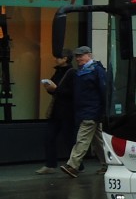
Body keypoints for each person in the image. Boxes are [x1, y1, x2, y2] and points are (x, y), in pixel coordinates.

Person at [61, 46, 108, 178]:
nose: (78, 59)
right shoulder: (86, 71)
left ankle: (73, 165)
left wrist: (102, 110)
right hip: (88, 110)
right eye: (77, 56)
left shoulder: (94, 71)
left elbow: (104, 92)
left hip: (91, 111)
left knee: (82, 138)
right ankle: (108, 164)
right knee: (97, 141)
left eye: (81, 56)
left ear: (89, 55)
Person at [37, 49, 75, 175]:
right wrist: (50, 88)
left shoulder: (72, 72)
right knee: (49, 137)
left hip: (67, 111)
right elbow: (55, 89)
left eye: (59, 57)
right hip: (56, 110)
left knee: (69, 139)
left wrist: (56, 89)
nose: (56, 59)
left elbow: (72, 93)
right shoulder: (58, 71)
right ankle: (50, 164)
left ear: (65, 59)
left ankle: (77, 165)